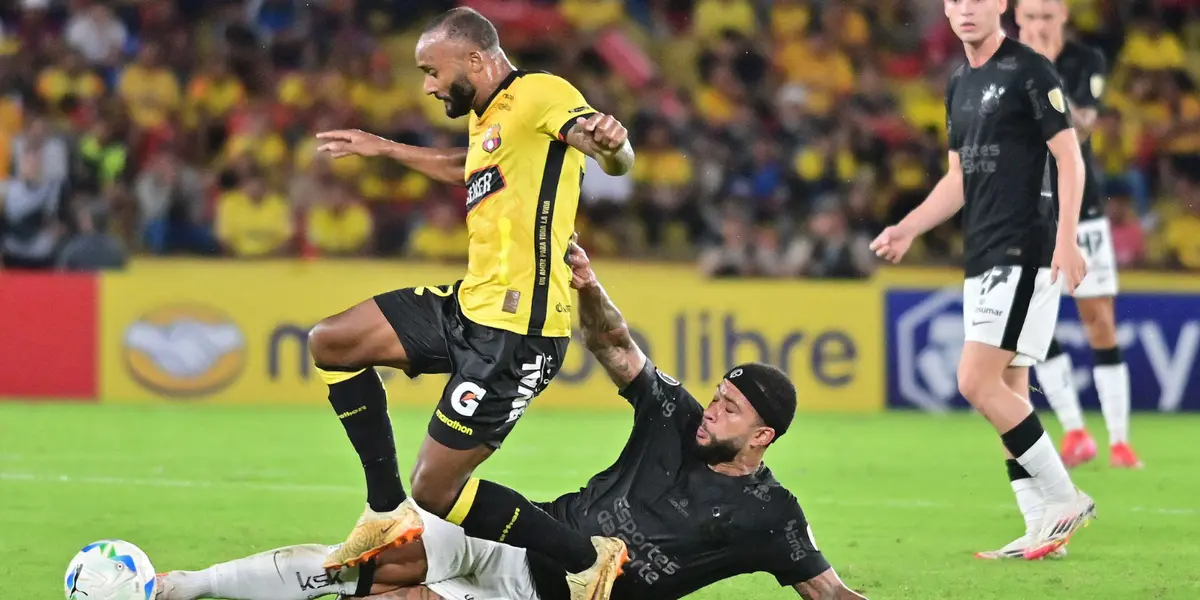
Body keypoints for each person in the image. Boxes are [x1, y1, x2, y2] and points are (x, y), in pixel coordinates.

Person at [155, 242, 867, 600]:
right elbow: (616, 345)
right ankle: (180, 588)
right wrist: (589, 287)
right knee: (370, 563)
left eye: (730, 410)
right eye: (717, 396)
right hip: (520, 540)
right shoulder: (676, 418)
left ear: (763, 437)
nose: (711, 411)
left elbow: (828, 594)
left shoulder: (772, 515)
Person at [305, 7, 636, 600]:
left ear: (478, 59)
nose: (429, 86)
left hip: (519, 330)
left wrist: (615, 147)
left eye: (433, 71)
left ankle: (588, 558)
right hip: (471, 304)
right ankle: (385, 513)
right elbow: (469, 166)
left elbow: (601, 146)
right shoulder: (489, 117)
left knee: (435, 488)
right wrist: (381, 147)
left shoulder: (540, 94)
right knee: (332, 341)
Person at [869, 0, 1096, 561]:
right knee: (1009, 389)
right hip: (984, 247)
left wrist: (1067, 238)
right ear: (946, 10)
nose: (967, 9)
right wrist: (908, 227)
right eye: (957, 0)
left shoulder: (1030, 69)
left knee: (976, 380)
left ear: (1001, 6)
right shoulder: (959, 82)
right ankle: (1041, 524)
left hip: (1025, 244)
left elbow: (1070, 158)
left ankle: (1066, 497)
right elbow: (958, 178)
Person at [1016, 0, 1143, 470]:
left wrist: (1044, 72)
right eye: (1030, 18)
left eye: (1047, 17)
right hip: (1029, 209)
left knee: (1098, 319)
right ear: (1017, 20)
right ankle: (1074, 431)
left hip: (1082, 210)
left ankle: (1120, 440)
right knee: (1036, 325)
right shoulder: (1003, 64)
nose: (1039, 26)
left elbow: (1083, 129)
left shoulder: (1084, 61)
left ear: (1063, 17)